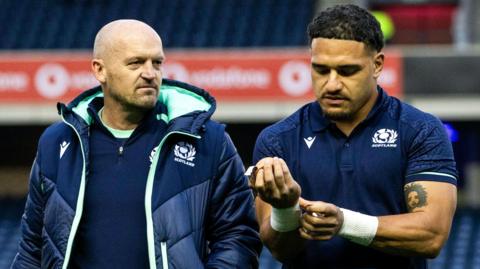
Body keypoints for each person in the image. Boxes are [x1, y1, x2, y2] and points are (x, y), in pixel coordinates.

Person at [12, 19, 261, 269]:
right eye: (135, 63)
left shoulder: (208, 140)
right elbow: (32, 248)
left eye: (157, 62)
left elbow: (238, 237)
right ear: (100, 70)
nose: (150, 73)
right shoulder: (57, 143)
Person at [250, 4, 457, 269]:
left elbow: (432, 236)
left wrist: (344, 223)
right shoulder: (277, 140)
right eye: (321, 70)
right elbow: (281, 251)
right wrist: (285, 209)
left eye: (347, 71)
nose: (332, 84)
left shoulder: (421, 130)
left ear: (377, 65)